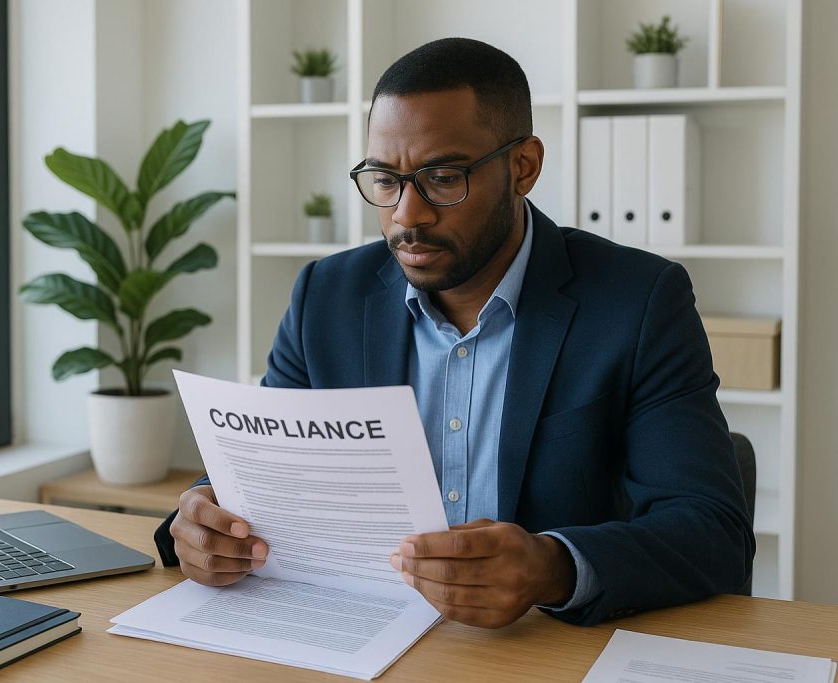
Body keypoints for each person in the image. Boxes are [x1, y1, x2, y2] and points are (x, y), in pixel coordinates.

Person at [154, 37, 754, 628]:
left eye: (442, 177)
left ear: (524, 167)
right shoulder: (325, 298)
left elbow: (712, 531)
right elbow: (263, 472)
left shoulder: (639, 302)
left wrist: (553, 567)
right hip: (350, 630)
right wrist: (204, 520)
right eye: (385, 180)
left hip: (540, 652)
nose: (406, 216)